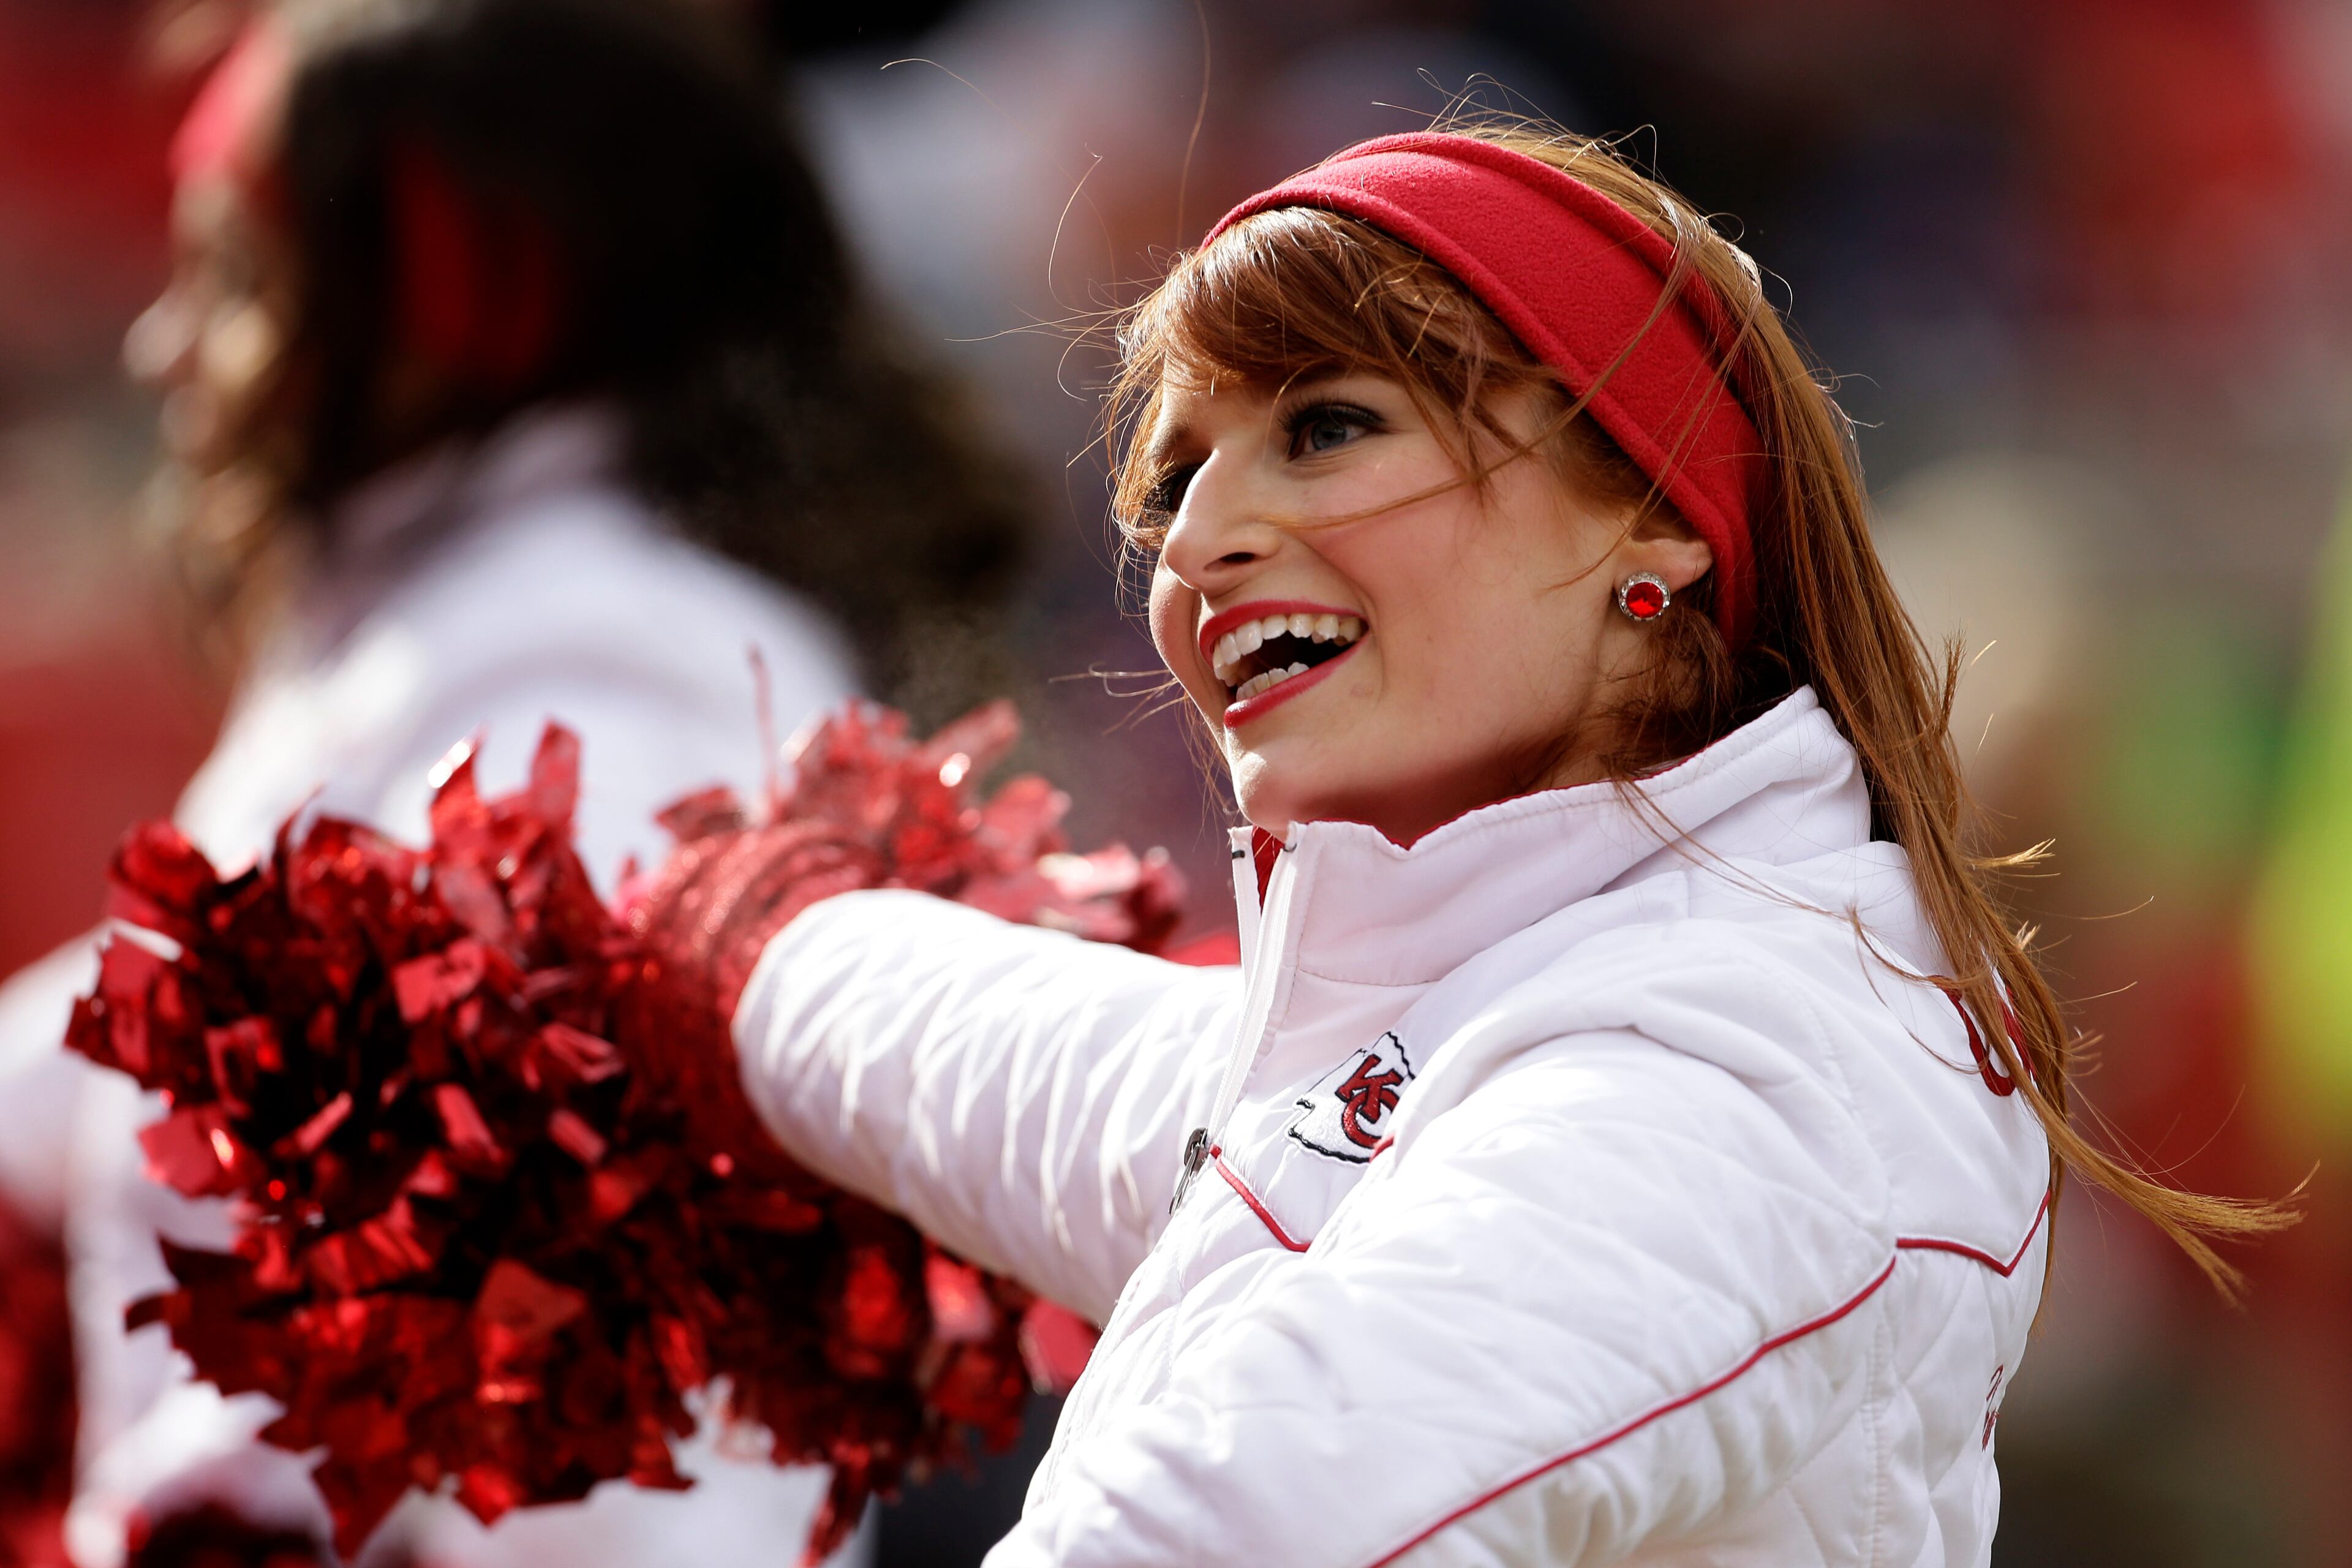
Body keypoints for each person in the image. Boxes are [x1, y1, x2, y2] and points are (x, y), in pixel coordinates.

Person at [667, 123, 2290, 1565]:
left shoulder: (1734, 1065)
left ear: (1650, 520)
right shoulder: (1470, 1008)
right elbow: (1035, 1066)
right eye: (1173, 479)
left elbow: (1231, 1520)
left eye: (1328, 428)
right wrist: (720, 940)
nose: (1205, 540)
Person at [0, 0, 1027, 1564]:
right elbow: (147, 1055)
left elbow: (487, 1276)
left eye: (234, 274)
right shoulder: (465, 621)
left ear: (458, 302)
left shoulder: (617, 668)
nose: (169, 342)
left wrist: (214, 1521)